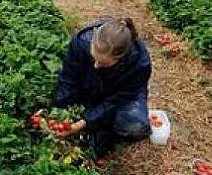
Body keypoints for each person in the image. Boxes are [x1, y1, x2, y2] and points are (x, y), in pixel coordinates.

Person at [52, 16, 152, 157]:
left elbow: (117, 100)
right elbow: (69, 77)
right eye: (93, 58)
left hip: (120, 96)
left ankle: (105, 128)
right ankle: (97, 120)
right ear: (92, 41)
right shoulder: (81, 41)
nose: (96, 66)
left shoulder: (139, 64)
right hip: (91, 86)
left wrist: (84, 122)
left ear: (120, 58)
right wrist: (59, 107)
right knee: (68, 98)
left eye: (103, 64)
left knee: (134, 127)